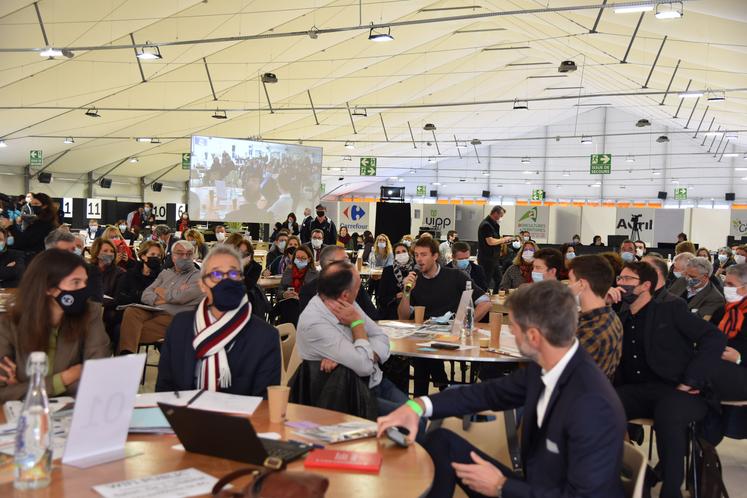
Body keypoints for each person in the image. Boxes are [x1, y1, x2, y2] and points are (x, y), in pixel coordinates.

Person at [377, 281, 627, 498]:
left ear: (534, 337)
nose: (511, 337)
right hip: (533, 486)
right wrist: (418, 405)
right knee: (441, 441)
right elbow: (488, 393)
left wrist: (501, 486)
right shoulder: (548, 367)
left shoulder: (592, 405)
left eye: (514, 330)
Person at [613, 262, 725, 498]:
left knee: (669, 414)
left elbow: (713, 338)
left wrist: (691, 380)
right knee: (602, 405)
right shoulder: (620, 315)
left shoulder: (670, 310)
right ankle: (623, 476)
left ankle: (671, 489)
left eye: (627, 279)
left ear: (646, 286)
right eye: (619, 278)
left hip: (678, 389)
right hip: (637, 389)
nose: (620, 283)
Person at [156, 245, 280, 396]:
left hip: (240, 419)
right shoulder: (180, 327)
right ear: (202, 285)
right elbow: (164, 389)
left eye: (233, 273)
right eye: (216, 274)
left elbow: (263, 404)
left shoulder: (265, 336)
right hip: (184, 417)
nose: (226, 280)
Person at [297, 260, 408, 414]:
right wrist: (357, 324)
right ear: (345, 294)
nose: (359, 293)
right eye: (357, 289)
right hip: (350, 397)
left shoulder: (344, 303)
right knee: (416, 422)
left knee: (417, 411)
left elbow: (381, 336)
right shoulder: (314, 321)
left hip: (376, 381)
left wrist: (367, 354)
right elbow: (364, 366)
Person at [0, 249, 110, 402]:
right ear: (48, 287)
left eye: (85, 282)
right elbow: (3, 392)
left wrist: (26, 388)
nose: (84, 290)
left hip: (74, 412)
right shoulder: (8, 323)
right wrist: (66, 378)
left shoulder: (90, 313)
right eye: (75, 282)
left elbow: (98, 375)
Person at [397, 237, 491, 395]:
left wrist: (466, 323)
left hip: (452, 335)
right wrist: (407, 291)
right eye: (417, 255)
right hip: (425, 336)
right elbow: (403, 316)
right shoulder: (415, 280)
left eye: (424, 255)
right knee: (423, 354)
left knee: (423, 357)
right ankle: (442, 387)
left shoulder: (455, 276)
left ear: (435, 256)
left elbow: (485, 302)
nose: (419, 259)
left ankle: (425, 400)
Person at [118, 240, 203, 354]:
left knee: (123, 331)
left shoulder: (198, 277)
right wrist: (170, 296)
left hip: (175, 317)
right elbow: (146, 294)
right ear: (172, 257)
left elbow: (180, 298)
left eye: (188, 253)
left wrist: (159, 291)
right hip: (155, 310)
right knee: (132, 311)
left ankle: (127, 358)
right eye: (180, 253)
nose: (184, 257)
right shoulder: (165, 273)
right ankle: (128, 356)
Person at [567, 255, 623, 379]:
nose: (568, 286)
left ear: (581, 284)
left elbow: (559, 374)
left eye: (570, 280)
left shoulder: (591, 331)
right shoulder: (609, 316)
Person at [300, 245, 377, 319]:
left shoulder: (355, 286)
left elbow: (372, 315)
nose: (349, 265)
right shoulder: (308, 291)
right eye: (344, 261)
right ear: (329, 264)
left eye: (348, 261)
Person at [112, 241, 165, 347]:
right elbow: (119, 297)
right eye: (152, 255)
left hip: (154, 317)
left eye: (159, 256)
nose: (156, 258)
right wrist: (142, 296)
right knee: (119, 330)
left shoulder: (164, 276)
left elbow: (164, 299)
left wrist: (136, 296)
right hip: (130, 316)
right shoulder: (130, 274)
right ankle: (125, 361)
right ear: (143, 256)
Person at [476, 206, 513, 288]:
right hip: (487, 259)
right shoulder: (486, 225)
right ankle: (482, 297)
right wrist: (503, 239)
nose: (501, 218)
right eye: (501, 216)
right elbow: (490, 241)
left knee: (499, 280)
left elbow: (495, 240)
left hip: (494, 258)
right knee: (486, 281)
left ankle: (496, 297)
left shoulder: (493, 225)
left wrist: (504, 241)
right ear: (496, 213)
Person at [377, 242, 415, 319]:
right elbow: (381, 298)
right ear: (394, 256)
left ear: (409, 253)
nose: (401, 254)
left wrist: (406, 294)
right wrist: (395, 296)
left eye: (404, 251)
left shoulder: (415, 270)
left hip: (413, 311)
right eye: (398, 252)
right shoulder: (388, 271)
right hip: (392, 310)